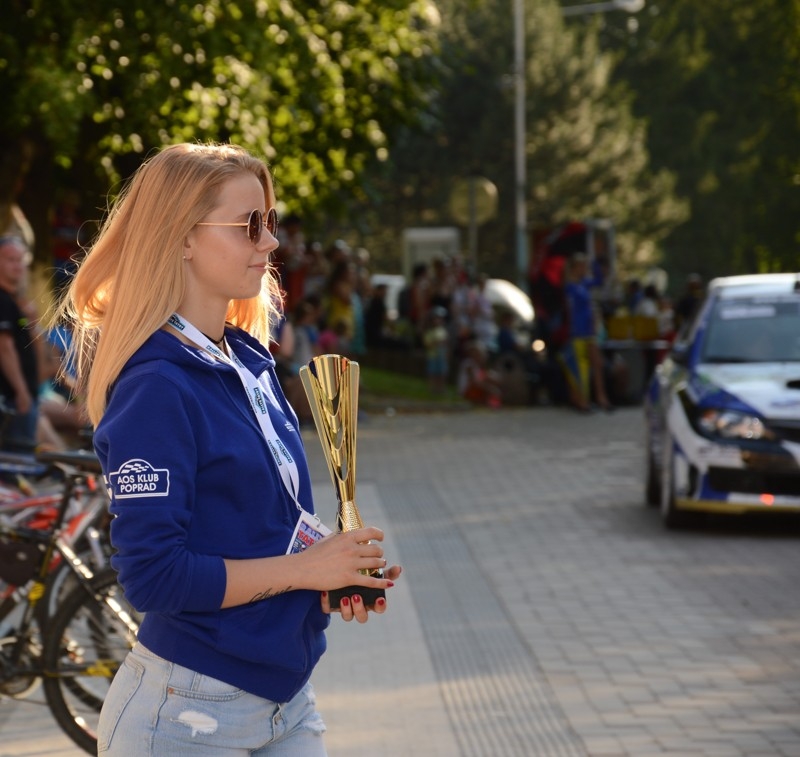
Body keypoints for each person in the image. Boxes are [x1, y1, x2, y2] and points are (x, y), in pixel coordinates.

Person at [56, 142, 400, 756]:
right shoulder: (157, 385)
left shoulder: (247, 359)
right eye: (250, 225)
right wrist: (302, 571)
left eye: (271, 221)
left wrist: (330, 568)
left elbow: (252, 527)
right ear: (184, 236)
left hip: (286, 700)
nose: (270, 241)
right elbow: (154, 577)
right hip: (184, 715)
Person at [0, 236, 40, 452]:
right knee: (19, 460)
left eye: (20, 260)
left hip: (25, 396)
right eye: (10, 260)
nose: (17, 265)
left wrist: (32, 322)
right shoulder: (2, 300)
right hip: (12, 399)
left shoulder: (16, 302)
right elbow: (4, 347)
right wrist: (21, 391)